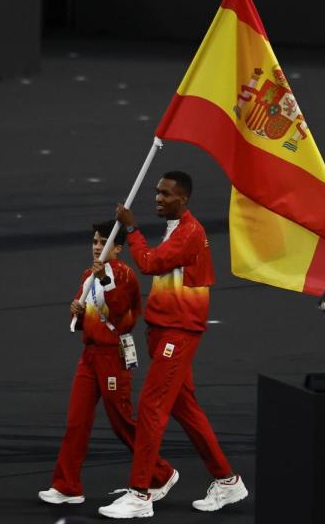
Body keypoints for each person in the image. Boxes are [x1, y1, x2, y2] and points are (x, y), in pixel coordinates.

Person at [98, 171, 247, 519]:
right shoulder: (177, 229)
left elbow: (150, 263)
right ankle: (228, 481)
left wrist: (132, 229)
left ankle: (139, 494)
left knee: (151, 408)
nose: (158, 198)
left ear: (184, 199)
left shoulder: (190, 232)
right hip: (165, 330)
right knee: (186, 409)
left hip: (177, 333)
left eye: (166, 194)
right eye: (157, 192)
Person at [38, 222, 179, 505]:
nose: (97, 247)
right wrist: (77, 313)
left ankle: (161, 473)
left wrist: (105, 281)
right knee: (76, 421)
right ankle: (67, 486)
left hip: (113, 357)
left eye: (104, 242)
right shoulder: (87, 274)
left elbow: (123, 318)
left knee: (122, 423)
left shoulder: (125, 276)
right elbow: (88, 317)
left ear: (117, 248)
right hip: (89, 356)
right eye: (95, 241)